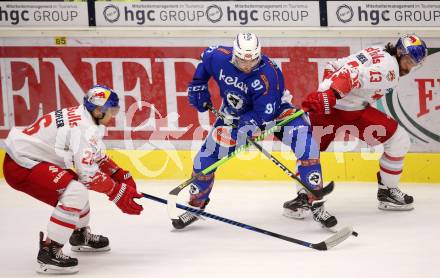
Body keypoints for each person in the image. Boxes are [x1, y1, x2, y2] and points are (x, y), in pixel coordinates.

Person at [173, 32, 337, 231]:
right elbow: (204, 60)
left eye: (252, 60)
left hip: (275, 111)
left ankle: (316, 202)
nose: (247, 65)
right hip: (234, 113)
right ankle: (195, 206)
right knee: (206, 157)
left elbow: (263, 117)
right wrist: (198, 84)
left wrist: (243, 128)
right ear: (235, 54)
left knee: (306, 143)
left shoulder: (270, 74)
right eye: (242, 60)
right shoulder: (217, 55)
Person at [3, 85, 144, 274]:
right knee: (76, 191)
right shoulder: (84, 127)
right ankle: (49, 251)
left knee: (75, 188)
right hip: (22, 164)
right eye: (111, 110)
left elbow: (94, 154)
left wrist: (118, 174)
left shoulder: (83, 116)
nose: (113, 115)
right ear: (97, 110)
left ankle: (79, 235)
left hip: (28, 158)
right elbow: (89, 176)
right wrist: (117, 192)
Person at [284, 34, 428, 215]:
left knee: (308, 148)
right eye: (408, 60)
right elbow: (352, 75)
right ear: (399, 52)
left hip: (347, 110)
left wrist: (327, 90)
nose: (410, 66)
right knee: (308, 147)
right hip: (336, 109)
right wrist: (331, 94)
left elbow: (334, 66)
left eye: (415, 63)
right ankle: (305, 196)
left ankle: (305, 197)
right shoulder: (389, 72)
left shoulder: (376, 50)